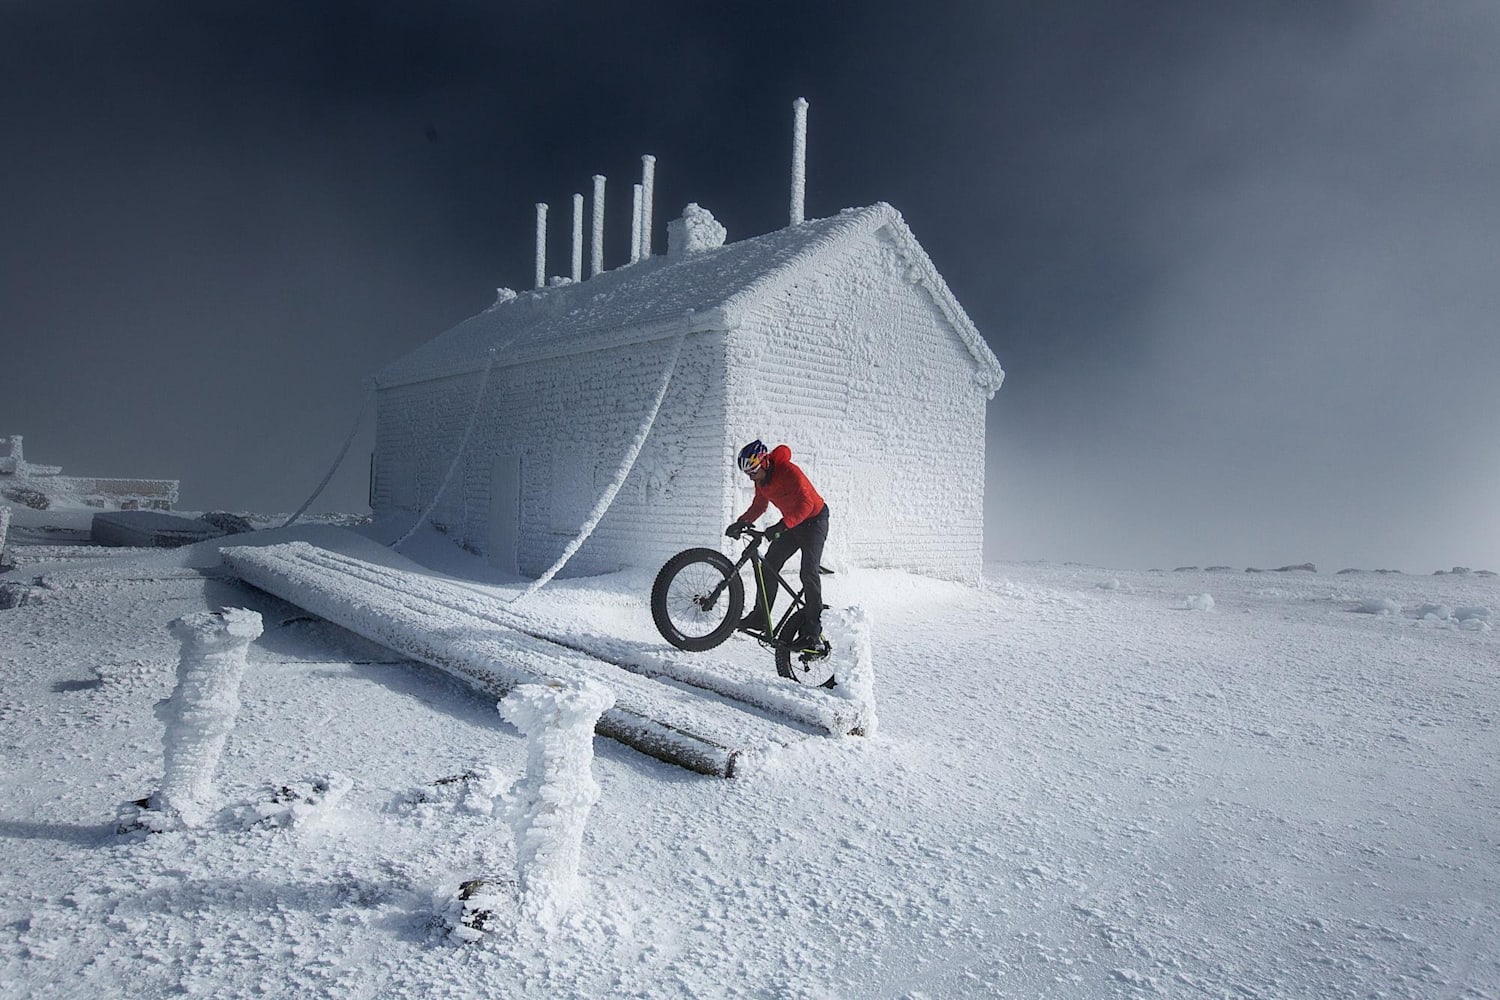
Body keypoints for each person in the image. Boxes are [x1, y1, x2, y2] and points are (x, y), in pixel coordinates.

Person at [725, 439, 830, 653]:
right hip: (793, 523)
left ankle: (812, 632)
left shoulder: (790, 472)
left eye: (753, 471)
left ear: (764, 462)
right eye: (748, 474)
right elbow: (759, 505)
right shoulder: (760, 480)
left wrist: (782, 525)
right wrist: (742, 522)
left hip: (814, 521)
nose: (751, 476)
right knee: (769, 566)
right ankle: (760, 617)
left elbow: (806, 504)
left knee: (808, 572)